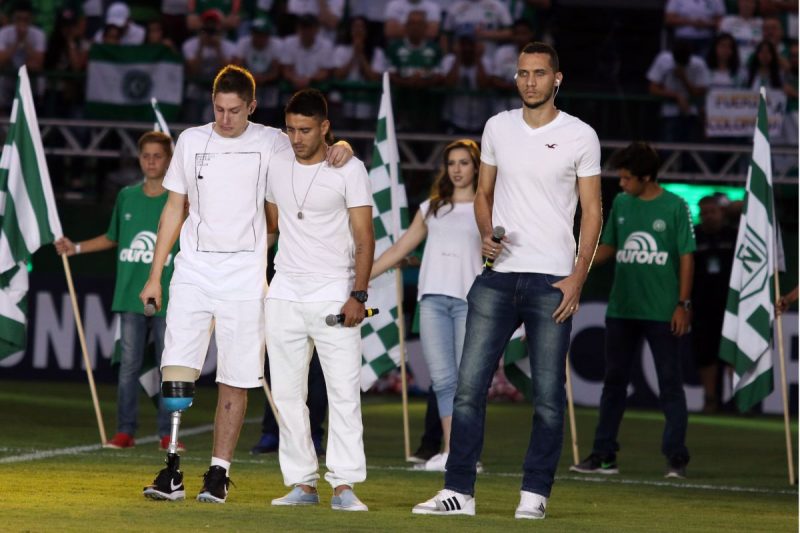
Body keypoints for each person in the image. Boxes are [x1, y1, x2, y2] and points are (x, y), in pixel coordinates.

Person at [138, 65, 352, 504]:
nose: (225, 118)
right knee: (177, 369)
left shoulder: (273, 141)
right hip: (193, 270)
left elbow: (312, 152)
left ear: (252, 107)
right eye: (218, 109)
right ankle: (172, 468)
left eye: (235, 110)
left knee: (237, 376)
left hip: (244, 274)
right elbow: (174, 209)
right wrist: (155, 274)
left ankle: (218, 472)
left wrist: (342, 146)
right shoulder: (192, 140)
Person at [413, 41, 602, 520]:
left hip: (553, 281)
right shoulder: (497, 126)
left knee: (548, 398)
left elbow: (594, 211)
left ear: (557, 79)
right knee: (468, 389)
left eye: (539, 73)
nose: (530, 81)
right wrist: (484, 233)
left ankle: (534, 494)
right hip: (496, 278)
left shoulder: (581, 135)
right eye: (523, 73)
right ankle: (459, 492)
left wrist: (578, 275)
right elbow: (484, 193)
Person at [265, 88, 373, 511]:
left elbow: (365, 239)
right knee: (288, 396)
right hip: (284, 292)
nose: (296, 138)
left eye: (305, 130)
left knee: (343, 392)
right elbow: (273, 222)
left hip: (333, 293)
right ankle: (302, 483)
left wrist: (358, 295)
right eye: (290, 129)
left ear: (325, 128)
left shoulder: (350, 169)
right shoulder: (276, 163)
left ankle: (344, 485)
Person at [570, 142, 695, 479]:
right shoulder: (622, 204)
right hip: (622, 309)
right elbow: (608, 246)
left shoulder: (675, 206)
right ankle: (603, 455)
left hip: (661, 311)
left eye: (627, 178)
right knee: (613, 384)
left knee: (670, 384)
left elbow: (686, 257)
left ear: (647, 177)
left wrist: (683, 304)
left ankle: (676, 460)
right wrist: (576, 270)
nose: (621, 184)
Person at [54, 131, 180, 452]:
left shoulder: (180, 201)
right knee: (128, 366)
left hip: (170, 296)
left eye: (158, 156)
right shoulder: (126, 196)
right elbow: (113, 237)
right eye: (146, 155)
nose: (151, 161)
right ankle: (125, 431)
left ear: (169, 160)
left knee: (170, 368)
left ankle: (169, 435)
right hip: (129, 296)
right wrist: (76, 247)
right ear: (139, 159)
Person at [371, 139, 481, 472]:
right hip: (432, 300)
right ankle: (450, 452)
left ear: (476, 167)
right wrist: (359, 278)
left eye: (464, 163)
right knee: (444, 380)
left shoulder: (487, 207)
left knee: (467, 383)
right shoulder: (431, 207)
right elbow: (399, 249)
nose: (457, 169)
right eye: (452, 163)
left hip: (470, 302)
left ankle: (465, 455)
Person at [691, 195, 736, 413]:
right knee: (706, 354)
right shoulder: (694, 236)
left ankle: (737, 399)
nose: (708, 216)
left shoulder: (734, 235)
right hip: (702, 305)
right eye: (704, 212)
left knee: (732, 353)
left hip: (731, 305)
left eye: (713, 211)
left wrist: (729, 207)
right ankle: (710, 399)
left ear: (722, 213)